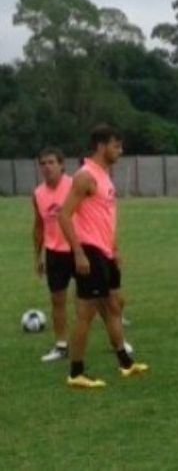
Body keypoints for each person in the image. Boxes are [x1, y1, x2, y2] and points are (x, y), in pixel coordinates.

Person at [58, 125, 148, 389]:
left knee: (114, 306)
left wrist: (115, 249)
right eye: (116, 145)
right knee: (86, 314)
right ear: (100, 146)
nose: (120, 150)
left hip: (104, 253)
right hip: (90, 252)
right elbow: (63, 215)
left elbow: (106, 218)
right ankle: (76, 373)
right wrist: (78, 253)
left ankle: (125, 364)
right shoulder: (85, 176)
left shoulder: (104, 176)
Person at [33, 148, 73, 362]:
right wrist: (38, 256)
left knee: (98, 298)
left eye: (51, 162)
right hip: (54, 253)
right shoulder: (38, 193)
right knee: (57, 300)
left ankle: (118, 342)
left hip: (79, 249)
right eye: (43, 163)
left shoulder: (74, 185)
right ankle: (61, 346)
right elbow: (39, 226)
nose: (47, 167)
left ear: (61, 165)